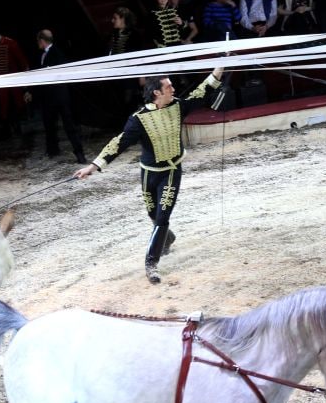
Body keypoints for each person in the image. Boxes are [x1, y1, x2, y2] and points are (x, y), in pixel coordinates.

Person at [73, 69, 224, 284]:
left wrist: (220, 68)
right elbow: (120, 142)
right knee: (153, 214)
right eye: (168, 86)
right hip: (148, 173)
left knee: (162, 217)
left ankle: (151, 263)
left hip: (171, 171)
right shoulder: (138, 119)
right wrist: (94, 166)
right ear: (156, 93)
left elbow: (202, 91)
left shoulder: (178, 106)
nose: (173, 88)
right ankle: (167, 237)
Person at [24, 29, 87, 164]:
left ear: (42, 41)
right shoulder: (42, 55)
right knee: (49, 125)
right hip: (48, 98)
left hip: (59, 97)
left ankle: (79, 153)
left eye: (38, 41)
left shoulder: (57, 53)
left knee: (69, 126)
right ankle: (52, 150)